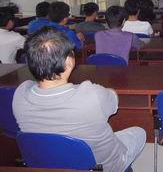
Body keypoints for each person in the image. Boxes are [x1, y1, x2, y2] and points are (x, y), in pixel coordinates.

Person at [12, 27, 146, 172]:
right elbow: (114, 101)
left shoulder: (20, 93)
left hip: (48, 162)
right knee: (139, 132)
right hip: (102, 166)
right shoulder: (91, 93)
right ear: (68, 62)